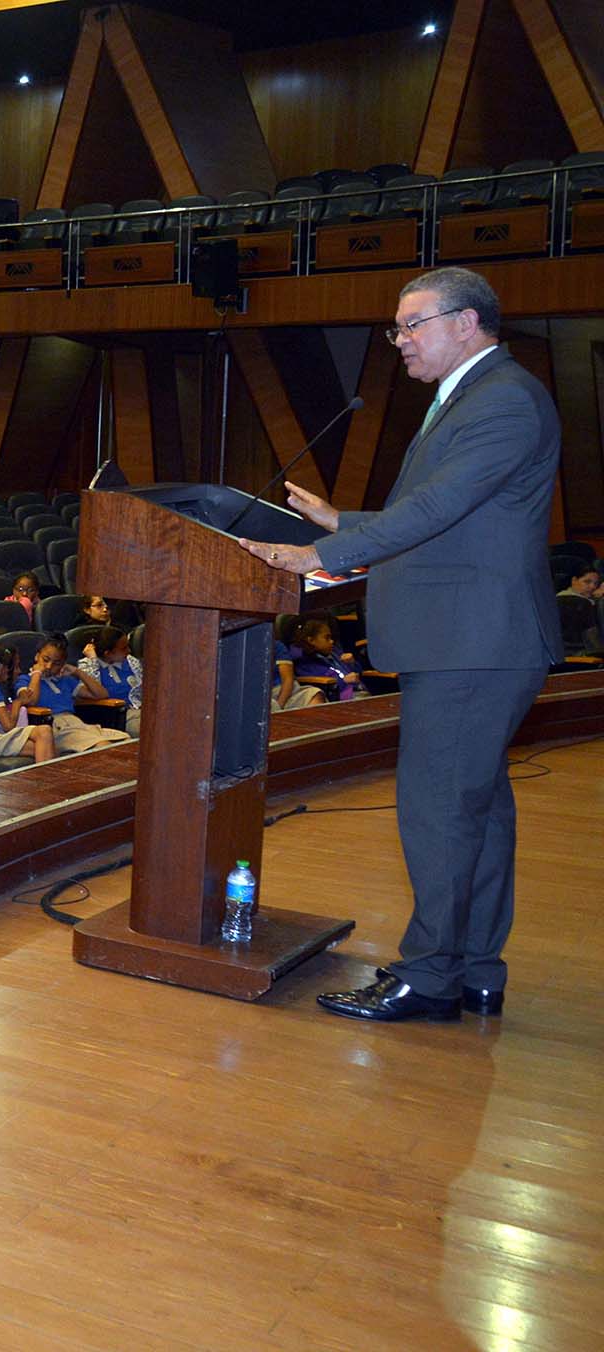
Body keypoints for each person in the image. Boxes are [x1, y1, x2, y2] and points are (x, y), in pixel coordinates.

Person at [238, 267, 561, 1024]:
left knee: (439, 811)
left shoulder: (504, 399)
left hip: (471, 643)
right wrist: (341, 522)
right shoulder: (478, 396)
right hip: (473, 639)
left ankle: (430, 978)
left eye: (412, 325)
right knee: (476, 812)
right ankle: (475, 968)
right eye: (397, 327)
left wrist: (318, 557)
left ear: (467, 323)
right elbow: (441, 509)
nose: (400, 342)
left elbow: (442, 506)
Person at [23, 636, 129, 753]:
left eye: (57, 663)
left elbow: (101, 694)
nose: (49, 666)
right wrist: (36, 674)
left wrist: (77, 672)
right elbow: (31, 701)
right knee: (103, 746)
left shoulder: (65, 680)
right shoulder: (25, 680)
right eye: (45, 660)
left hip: (77, 723)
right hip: (55, 728)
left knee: (125, 741)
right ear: (37, 656)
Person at [78, 627, 145, 734]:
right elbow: (93, 692)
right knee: (149, 731)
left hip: (140, 710)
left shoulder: (131, 661)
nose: (129, 651)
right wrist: (93, 661)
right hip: (115, 715)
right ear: (107, 653)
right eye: (124, 648)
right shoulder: (87, 665)